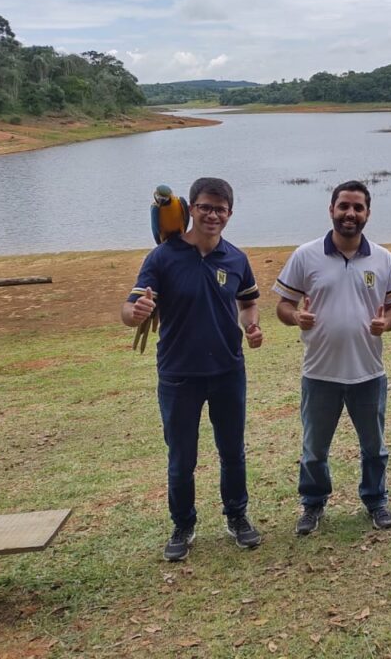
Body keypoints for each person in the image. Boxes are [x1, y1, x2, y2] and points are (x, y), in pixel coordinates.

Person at [121, 177, 264, 562]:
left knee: (232, 451)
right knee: (182, 457)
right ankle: (182, 525)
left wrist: (250, 324)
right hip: (178, 374)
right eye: (205, 206)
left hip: (227, 371)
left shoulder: (236, 259)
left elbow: (248, 301)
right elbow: (130, 308)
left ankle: (237, 517)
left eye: (220, 209)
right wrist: (134, 314)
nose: (212, 214)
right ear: (190, 209)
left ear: (230, 214)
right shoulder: (163, 257)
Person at [274, 180, 391, 535]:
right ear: (331, 209)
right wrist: (294, 317)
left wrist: (386, 323)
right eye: (344, 206)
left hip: (368, 372)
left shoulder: (383, 258)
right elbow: (283, 305)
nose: (350, 213)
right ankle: (313, 504)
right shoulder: (306, 255)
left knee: (374, 448)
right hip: (319, 373)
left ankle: (376, 500)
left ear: (367, 213)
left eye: (358, 207)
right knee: (314, 449)